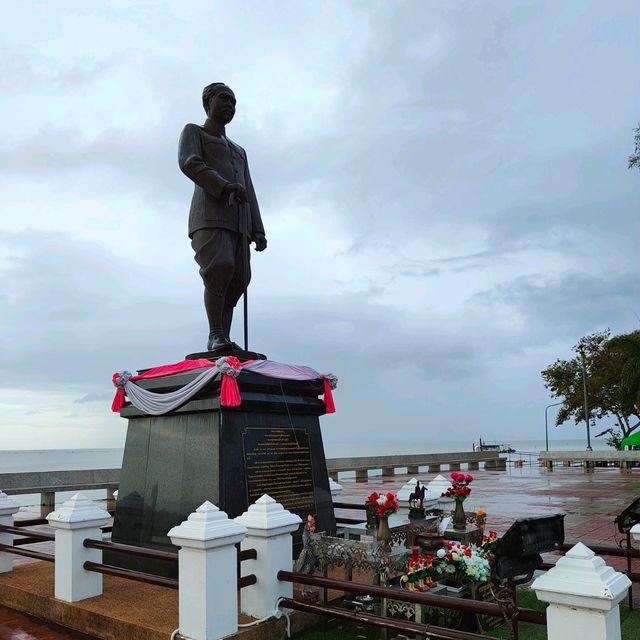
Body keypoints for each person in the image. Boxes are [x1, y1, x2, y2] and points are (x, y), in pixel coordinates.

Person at [178, 83, 267, 352]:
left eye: (234, 102)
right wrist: (223, 186)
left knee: (240, 277)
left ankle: (224, 339)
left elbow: (249, 188)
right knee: (220, 269)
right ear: (208, 104)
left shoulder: (240, 150)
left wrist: (258, 228)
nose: (230, 105)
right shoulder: (195, 132)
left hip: (239, 222)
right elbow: (190, 163)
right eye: (224, 99)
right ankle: (215, 334)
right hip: (210, 216)